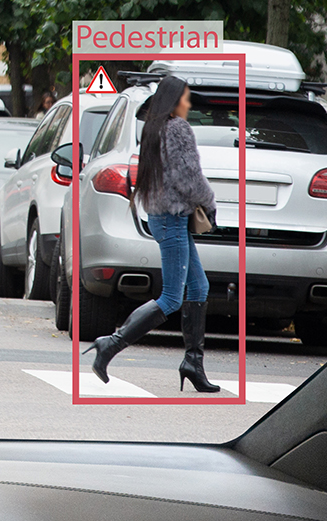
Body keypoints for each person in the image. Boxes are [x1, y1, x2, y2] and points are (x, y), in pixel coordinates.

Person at [81, 75, 220, 393]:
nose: (188, 103)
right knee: (171, 298)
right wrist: (209, 203)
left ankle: (193, 364)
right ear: (174, 101)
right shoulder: (178, 128)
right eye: (185, 98)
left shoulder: (153, 128)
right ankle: (111, 345)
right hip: (171, 219)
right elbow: (188, 177)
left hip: (166, 217)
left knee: (199, 286)